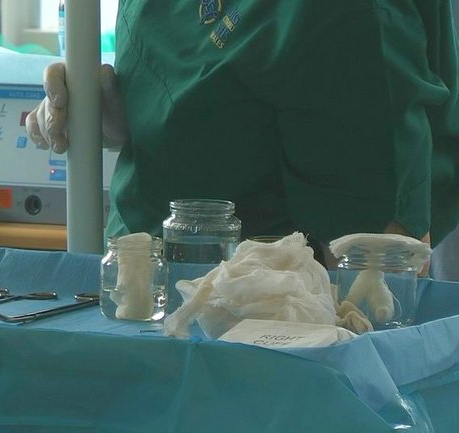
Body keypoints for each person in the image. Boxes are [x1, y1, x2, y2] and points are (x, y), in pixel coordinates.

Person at [26, 0, 459, 266]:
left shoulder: (347, 18)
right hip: (137, 294)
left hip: (257, 338)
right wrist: (120, 113)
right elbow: (202, 89)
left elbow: (376, 286)